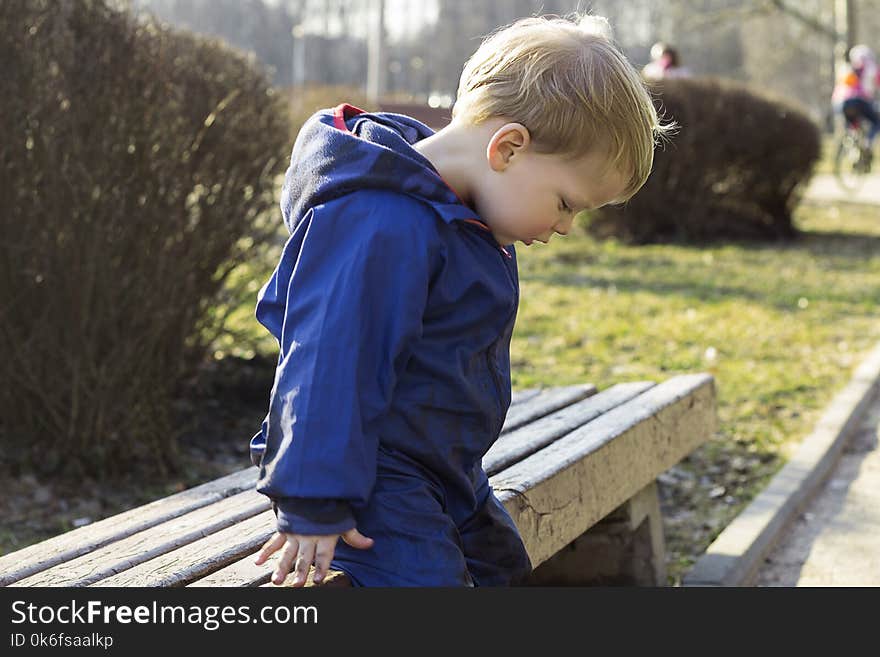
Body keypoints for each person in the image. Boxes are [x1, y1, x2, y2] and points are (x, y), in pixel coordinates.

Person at [249, 13, 671, 587]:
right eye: (567, 203)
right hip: (371, 471)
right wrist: (313, 500)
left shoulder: (467, 213)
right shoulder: (381, 219)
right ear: (508, 148)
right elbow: (328, 360)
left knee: (503, 568)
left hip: (445, 467)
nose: (565, 227)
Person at [832, 44, 880, 158]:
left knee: (852, 124)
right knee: (877, 122)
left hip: (839, 103)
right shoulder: (871, 67)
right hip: (859, 101)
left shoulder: (845, 67)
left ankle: (852, 147)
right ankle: (868, 142)